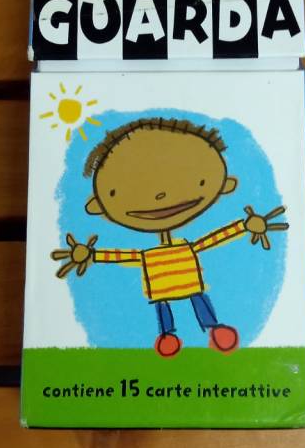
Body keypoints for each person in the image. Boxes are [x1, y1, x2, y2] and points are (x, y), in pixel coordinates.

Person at [52, 117, 287, 358]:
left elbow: (213, 239)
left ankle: (213, 329)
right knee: (165, 305)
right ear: (97, 206)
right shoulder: (149, 257)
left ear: (225, 184)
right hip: (161, 285)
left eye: (194, 178)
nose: (160, 195)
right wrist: (91, 254)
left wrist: (245, 225)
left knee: (195, 298)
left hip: (189, 281)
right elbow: (122, 256)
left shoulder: (181, 250)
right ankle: (167, 335)